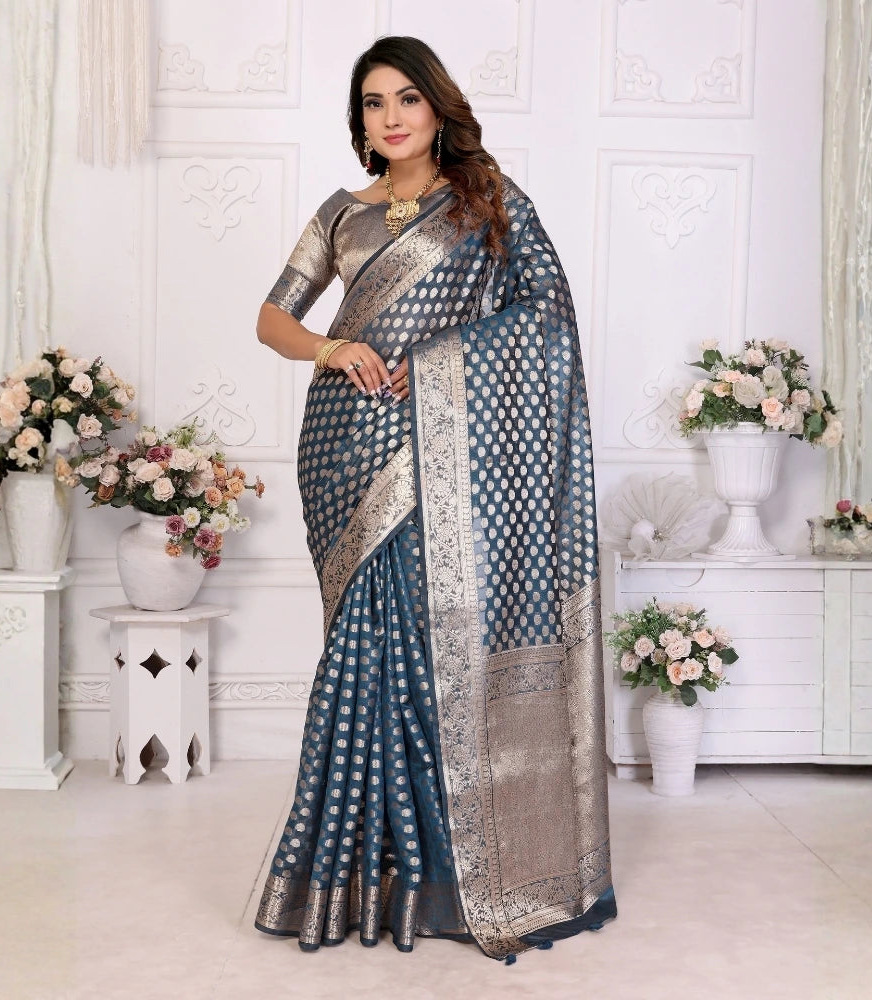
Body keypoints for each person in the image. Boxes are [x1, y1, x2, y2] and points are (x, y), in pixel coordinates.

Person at [253, 36, 616, 961]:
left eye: (407, 98)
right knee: (359, 650)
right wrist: (333, 350)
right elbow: (273, 317)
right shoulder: (342, 213)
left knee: (427, 637)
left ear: (437, 107)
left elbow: (546, 313)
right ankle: (354, 875)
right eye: (374, 103)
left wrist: (437, 366)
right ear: (361, 122)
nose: (391, 116)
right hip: (343, 445)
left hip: (444, 452)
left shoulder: (486, 202)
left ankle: (446, 873)